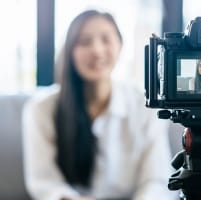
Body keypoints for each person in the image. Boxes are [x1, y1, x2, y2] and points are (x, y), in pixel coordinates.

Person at [22, 10, 175, 200]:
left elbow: (158, 180)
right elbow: (44, 182)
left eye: (106, 39)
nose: (96, 50)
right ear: (70, 51)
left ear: (120, 46)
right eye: (84, 41)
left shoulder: (145, 106)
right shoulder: (41, 109)